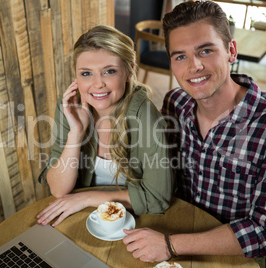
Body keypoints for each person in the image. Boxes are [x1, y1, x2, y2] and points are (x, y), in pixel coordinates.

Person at [122, 1, 266, 266]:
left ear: (231, 51)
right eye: (180, 56)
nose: (193, 66)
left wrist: (170, 244)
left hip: (232, 256)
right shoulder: (175, 103)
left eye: (205, 50)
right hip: (171, 234)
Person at [37, 25, 173, 227]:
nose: (97, 83)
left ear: (129, 71)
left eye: (109, 71)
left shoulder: (143, 112)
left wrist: (85, 199)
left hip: (134, 220)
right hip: (85, 217)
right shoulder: (70, 105)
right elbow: (58, 189)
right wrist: (76, 133)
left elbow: (157, 197)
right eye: (86, 73)